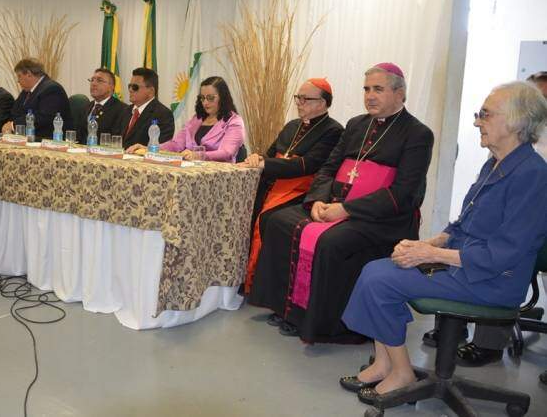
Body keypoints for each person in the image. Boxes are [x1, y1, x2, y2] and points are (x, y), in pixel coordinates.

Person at [340, 81, 547, 404]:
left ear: (516, 121)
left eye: (485, 114)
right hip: (467, 265)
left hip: (492, 280)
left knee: (382, 281)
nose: (477, 122)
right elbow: (464, 222)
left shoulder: (532, 175)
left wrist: (431, 253)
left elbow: (502, 254)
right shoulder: (495, 162)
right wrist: (428, 244)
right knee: (375, 268)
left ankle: (402, 373)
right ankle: (384, 363)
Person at [247, 63, 434, 343]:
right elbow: (328, 168)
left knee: (331, 242)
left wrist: (346, 209)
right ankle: (287, 309)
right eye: (366, 89)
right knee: (278, 221)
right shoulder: (357, 125)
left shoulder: (418, 133)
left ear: (399, 93)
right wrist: (317, 200)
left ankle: (326, 324)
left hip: (380, 217)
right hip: (337, 204)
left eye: (378, 89)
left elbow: (405, 193)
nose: (370, 96)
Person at [239, 78, 344, 293]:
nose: (299, 103)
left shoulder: (333, 130)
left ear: (322, 103)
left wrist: (266, 163)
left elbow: (308, 165)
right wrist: (257, 157)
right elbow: (269, 154)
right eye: (298, 98)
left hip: (300, 189)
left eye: (306, 99)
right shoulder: (292, 126)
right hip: (274, 181)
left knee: (267, 218)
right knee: (244, 208)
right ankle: (240, 276)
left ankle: (258, 284)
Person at [127, 76, 244, 161]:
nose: (205, 103)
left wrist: (198, 155)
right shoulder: (197, 119)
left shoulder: (234, 121)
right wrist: (150, 148)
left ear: (223, 97)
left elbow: (227, 152)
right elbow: (176, 144)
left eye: (210, 98)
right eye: (202, 98)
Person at [2, 58, 73, 140]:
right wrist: (9, 124)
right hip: (29, 137)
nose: (18, 81)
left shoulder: (52, 89)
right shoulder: (26, 91)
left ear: (29, 74)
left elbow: (43, 117)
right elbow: (15, 111)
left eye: (19, 76)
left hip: (50, 139)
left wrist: (13, 125)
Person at [117, 67, 174, 149]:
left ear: (151, 91)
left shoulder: (163, 114)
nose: (130, 90)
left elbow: (160, 148)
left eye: (135, 87)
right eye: (129, 86)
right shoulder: (125, 110)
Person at [77, 68, 127, 144]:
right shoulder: (85, 107)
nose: (94, 84)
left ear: (112, 86)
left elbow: (117, 140)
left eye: (99, 80)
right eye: (92, 80)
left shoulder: (122, 110)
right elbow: (78, 137)